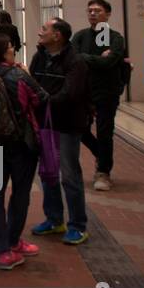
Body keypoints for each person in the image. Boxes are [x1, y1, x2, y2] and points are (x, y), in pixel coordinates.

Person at [0, 33, 48, 270]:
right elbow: (42, 99)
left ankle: (3, 251)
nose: (12, 49)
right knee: (20, 193)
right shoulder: (18, 75)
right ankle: (14, 242)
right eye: (9, 47)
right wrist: (26, 74)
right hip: (21, 145)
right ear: (1, 52)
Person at [28, 18, 92, 245]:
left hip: (67, 125)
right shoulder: (39, 57)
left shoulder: (76, 62)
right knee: (48, 174)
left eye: (44, 29)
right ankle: (55, 219)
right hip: (44, 126)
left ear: (57, 35)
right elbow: (31, 83)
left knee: (70, 175)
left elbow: (70, 94)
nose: (39, 32)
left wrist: (42, 101)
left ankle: (78, 225)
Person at [71, 0, 128, 192]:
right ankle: (101, 155)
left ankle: (103, 172)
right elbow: (73, 59)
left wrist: (87, 59)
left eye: (98, 10)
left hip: (107, 91)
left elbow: (110, 63)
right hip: (84, 91)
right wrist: (98, 58)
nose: (93, 13)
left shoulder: (116, 38)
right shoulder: (80, 36)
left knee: (105, 131)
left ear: (108, 14)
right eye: (90, 10)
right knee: (78, 128)